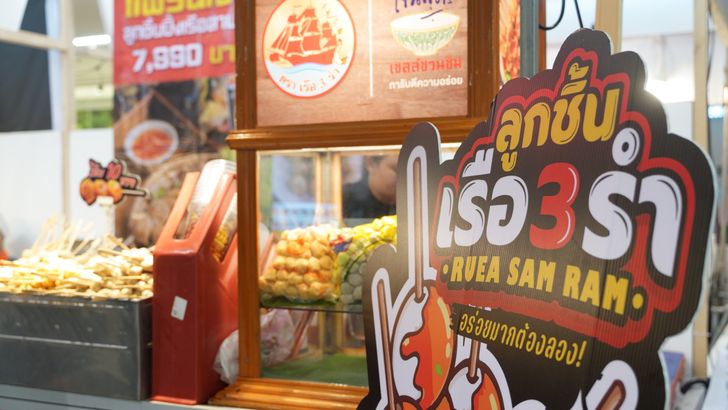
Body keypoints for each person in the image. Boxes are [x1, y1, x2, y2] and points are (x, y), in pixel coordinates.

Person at [342, 154, 397, 224]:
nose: (406, 178)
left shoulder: (408, 203)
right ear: (371, 164)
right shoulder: (345, 198)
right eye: (396, 169)